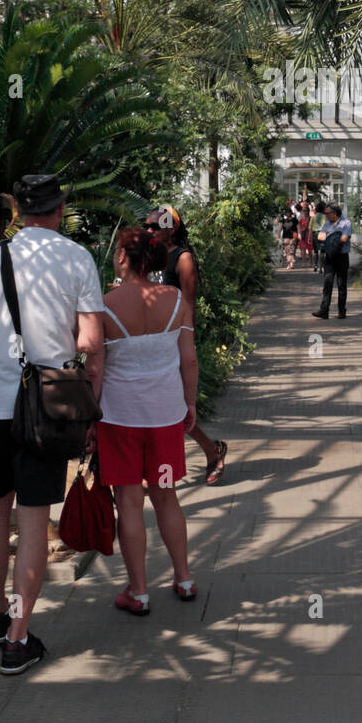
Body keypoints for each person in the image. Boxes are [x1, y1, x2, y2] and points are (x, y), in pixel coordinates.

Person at [0, 174, 105, 675]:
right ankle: (18, 636)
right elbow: (91, 345)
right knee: (34, 519)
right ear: (59, 209)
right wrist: (91, 411)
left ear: (18, 212)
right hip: (48, 409)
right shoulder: (77, 259)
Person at [98, 226, 198, 613]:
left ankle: (138, 591)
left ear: (123, 256)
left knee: (129, 500)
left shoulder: (104, 305)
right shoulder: (174, 300)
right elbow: (188, 359)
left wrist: (91, 416)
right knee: (166, 496)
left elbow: (95, 366)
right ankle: (184, 577)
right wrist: (190, 404)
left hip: (119, 416)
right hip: (166, 414)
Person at [145, 207, 227, 485]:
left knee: (176, 407)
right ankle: (209, 450)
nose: (149, 231)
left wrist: (187, 347)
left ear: (172, 228)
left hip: (173, 340)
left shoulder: (183, 258)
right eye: (146, 226)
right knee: (161, 406)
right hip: (148, 339)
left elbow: (188, 304)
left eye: (155, 227)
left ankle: (209, 451)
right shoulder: (147, 255)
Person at [312, 202, 353, 320]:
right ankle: (324, 311)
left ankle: (341, 311)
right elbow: (320, 236)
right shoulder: (327, 223)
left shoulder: (346, 223)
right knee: (327, 283)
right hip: (329, 257)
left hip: (341, 256)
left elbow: (345, 238)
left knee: (341, 284)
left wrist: (329, 237)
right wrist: (335, 236)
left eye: (327, 213)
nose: (325, 215)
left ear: (335, 214)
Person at [310, 200, 327, 273]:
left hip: (315, 234)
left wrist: (309, 237)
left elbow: (310, 228)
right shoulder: (325, 217)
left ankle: (315, 265)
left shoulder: (313, 217)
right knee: (323, 251)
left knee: (316, 251)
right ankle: (321, 267)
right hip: (323, 234)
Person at [279, 201, 298, 269]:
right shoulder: (290, 220)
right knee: (288, 250)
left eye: (288, 212)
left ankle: (290, 264)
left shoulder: (293, 220)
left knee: (290, 250)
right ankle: (290, 263)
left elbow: (280, 228)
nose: (288, 214)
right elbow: (280, 228)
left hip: (291, 236)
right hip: (288, 237)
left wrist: (278, 235)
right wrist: (278, 235)